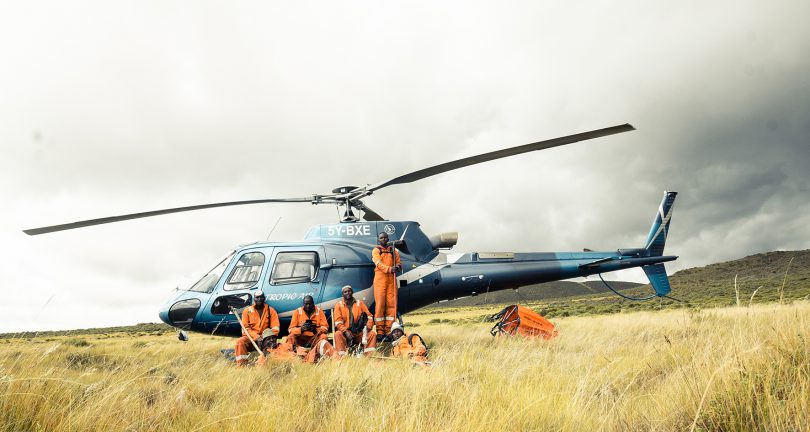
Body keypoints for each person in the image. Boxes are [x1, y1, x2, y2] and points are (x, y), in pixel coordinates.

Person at [234, 290, 280, 366]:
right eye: (257, 297)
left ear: (264, 298)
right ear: (254, 299)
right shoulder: (247, 311)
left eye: (261, 297)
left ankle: (266, 364)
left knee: (270, 347)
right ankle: (242, 365)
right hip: (251, 338)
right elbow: (245, 329)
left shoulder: (271, 311)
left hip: (265, 339)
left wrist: (265, 337)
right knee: (240, 342)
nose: (259, 299)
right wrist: (257, 337)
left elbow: (275, 328)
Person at [372, 232, 401, 340]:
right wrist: (389, 269)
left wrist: (398, 267)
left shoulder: (393, 250)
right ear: (379, 240)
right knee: (380, 305)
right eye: (381, 238)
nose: (383, 239)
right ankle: (380, 331)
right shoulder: (376, 250)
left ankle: (389, 330)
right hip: (380, 279)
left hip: (391, 280)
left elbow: (399, 263)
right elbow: (378, 264)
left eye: (385, 237)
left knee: (392, 305)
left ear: (388, 239)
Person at [332, 285, 377, 357]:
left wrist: (367, 328)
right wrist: (346, 332)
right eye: (345, 292)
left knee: (372, 334)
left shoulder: (360, 303)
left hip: (359, 332)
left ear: (352, 292)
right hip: (346, 333)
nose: (347, 293)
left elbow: (370, 316)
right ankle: (341, 358)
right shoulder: (338, 305)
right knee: (337, 334)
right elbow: (338, 322)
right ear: (342, 294)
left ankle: (369, 357)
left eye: (349, 291)